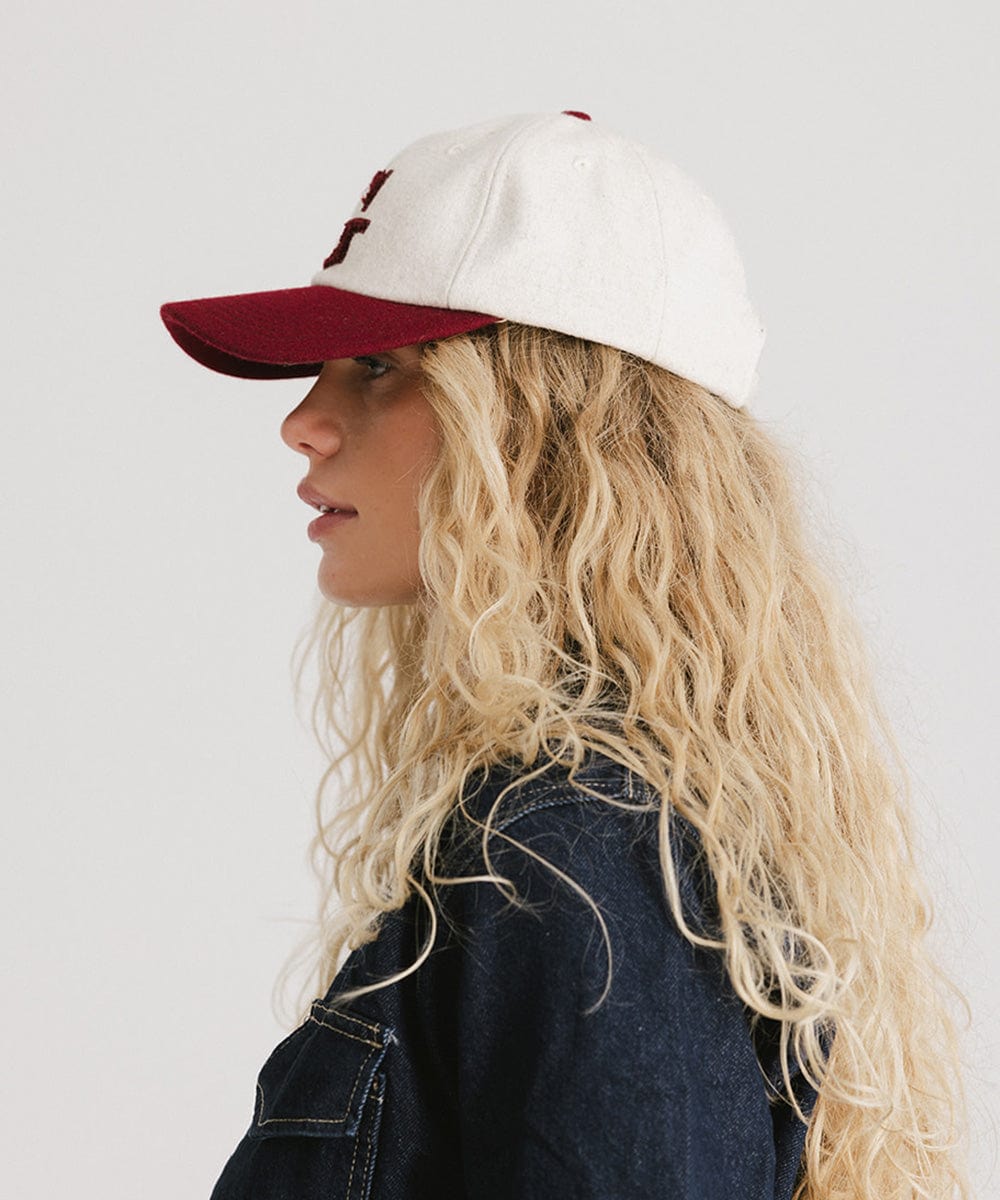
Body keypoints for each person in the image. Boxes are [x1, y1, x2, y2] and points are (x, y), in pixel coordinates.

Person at [160, 110, 971, 1200]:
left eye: (379, 365)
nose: (302, 421)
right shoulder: (590, 830)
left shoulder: (573, 846)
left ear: (545, 424)